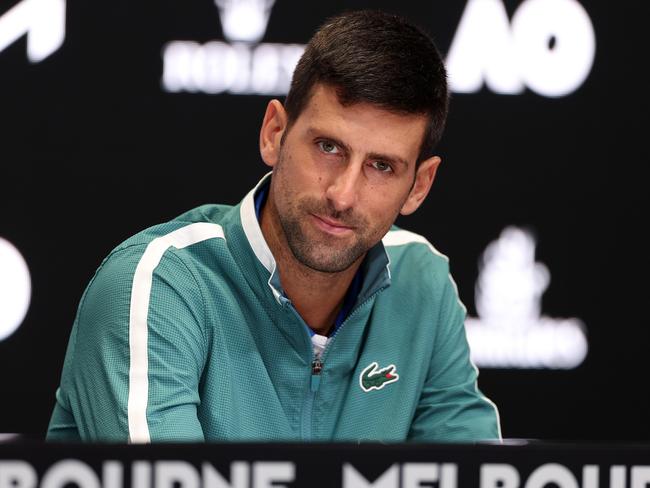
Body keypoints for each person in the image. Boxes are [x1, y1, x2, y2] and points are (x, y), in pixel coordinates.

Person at [46, 9, 501, 443]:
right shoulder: (157, 285)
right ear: (274, 133)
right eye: (328, 147)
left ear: (419, 185)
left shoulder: (421, 281)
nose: (342, 195)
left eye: (381, 167)